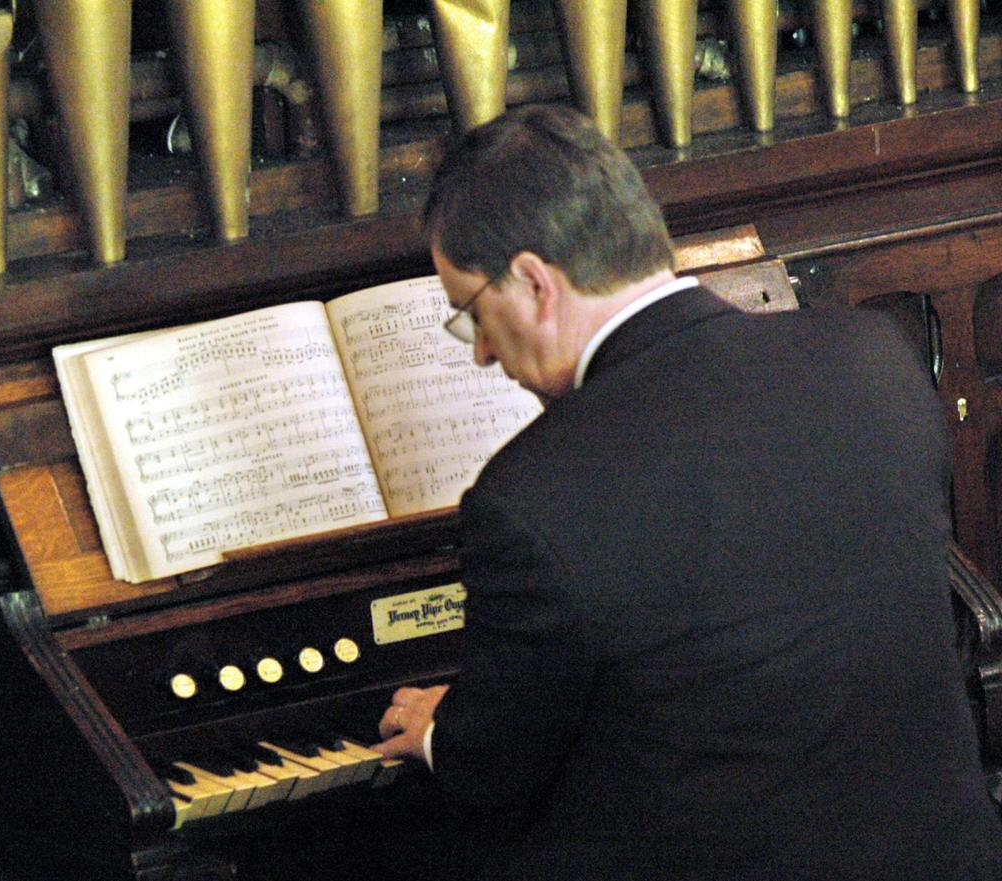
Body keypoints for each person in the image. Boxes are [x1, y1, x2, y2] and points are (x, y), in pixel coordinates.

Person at [373, 103, 1002, 880]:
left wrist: (441, 730)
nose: (480, 355)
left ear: (534, 282)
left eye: (472, 314)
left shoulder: (530, 494)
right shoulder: (872, 355)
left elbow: (494, 769)